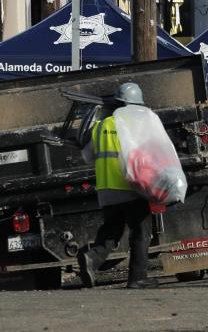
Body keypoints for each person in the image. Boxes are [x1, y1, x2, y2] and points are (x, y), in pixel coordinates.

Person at [78, 82, 159, 289]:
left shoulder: (102, 126)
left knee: (111, 231)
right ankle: (138, 278)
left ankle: (92, 258)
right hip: (130, 188)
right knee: (141, 232)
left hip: (106, 192)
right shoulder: (136, 126)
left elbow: (86, 156)